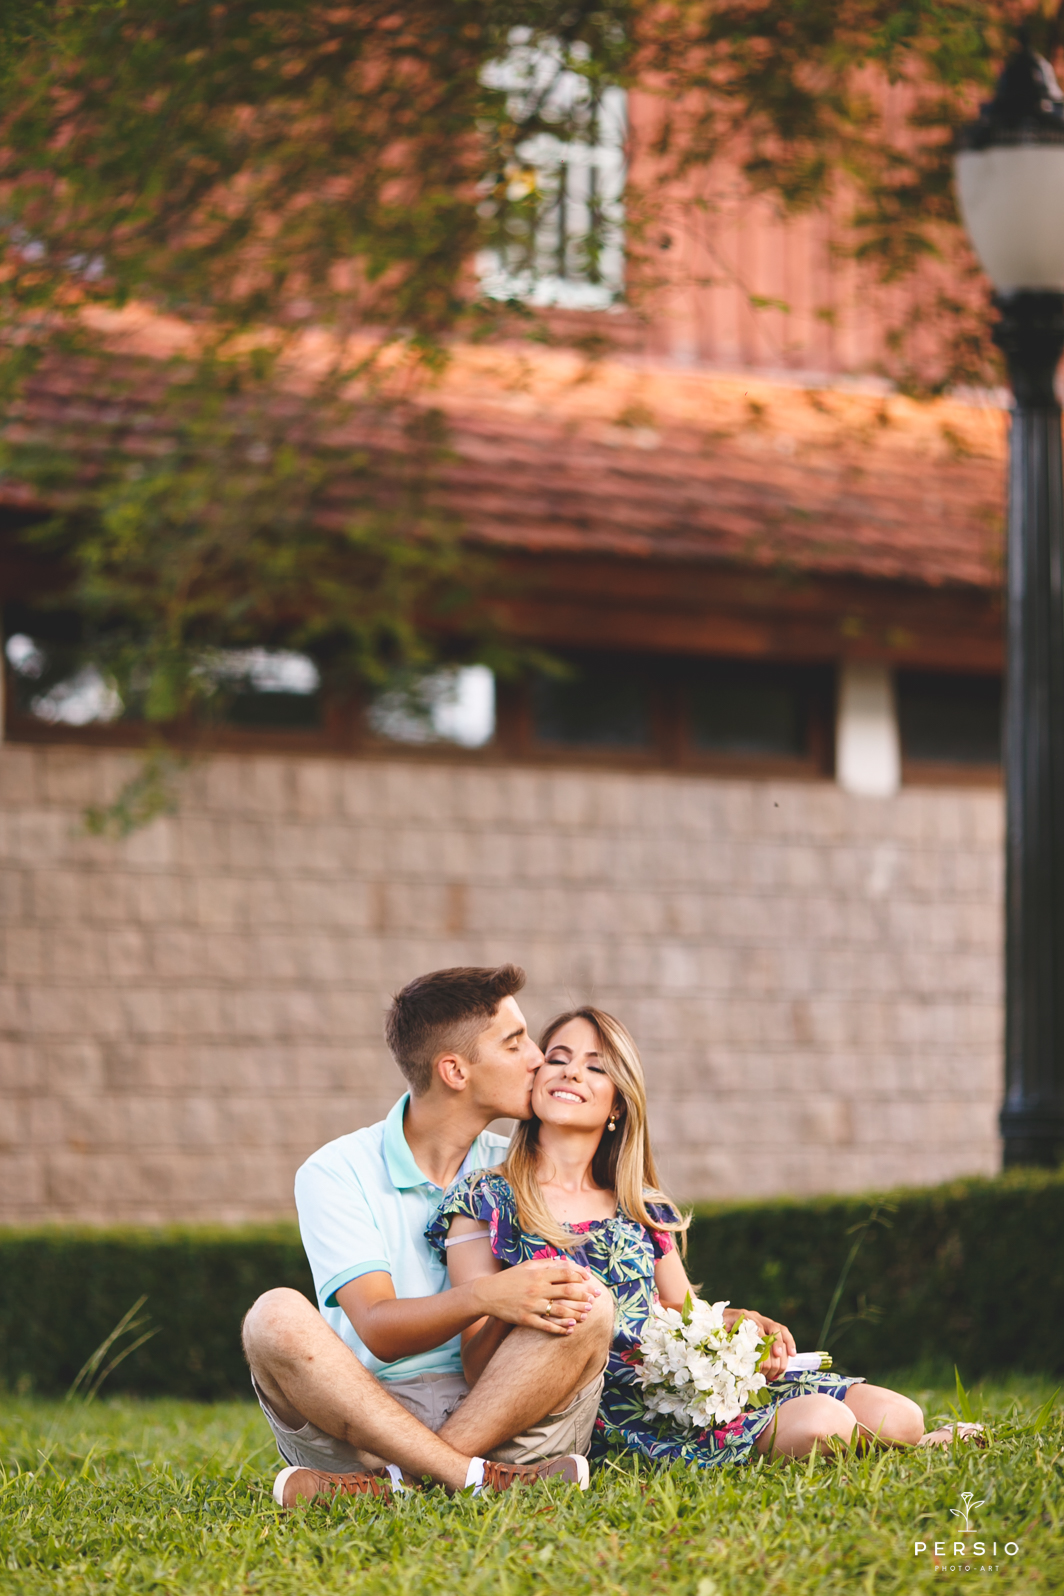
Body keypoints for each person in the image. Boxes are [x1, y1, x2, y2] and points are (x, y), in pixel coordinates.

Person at [428, 1005, 962, 1468]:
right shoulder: (485, 1197)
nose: (571, 1072)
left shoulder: (641, 1204)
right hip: (618, 1401)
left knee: (901, 1416)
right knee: (825, 1424)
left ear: (618, 1104)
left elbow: (684, 1314)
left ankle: (909, 1442)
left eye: (595, 1066)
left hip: (688, 1380)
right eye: (558, 1058)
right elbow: (477, 1369)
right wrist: (521, 1299)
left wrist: (746, 1326)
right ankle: (849, 1442)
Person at [242, 967, 614, 1506]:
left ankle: (397, 1484)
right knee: (272, 1316)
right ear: (454, 1071)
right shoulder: (336, 1171)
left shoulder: (524, 1167)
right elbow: (379, 1329)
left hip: (505, 1410)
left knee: (591, 1302)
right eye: (514, 1043)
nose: (538, 1058)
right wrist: (487, 1295)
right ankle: (470, 1476)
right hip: (368, 1421)